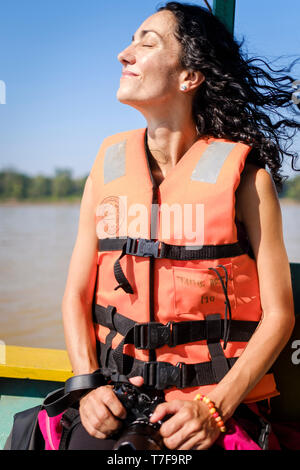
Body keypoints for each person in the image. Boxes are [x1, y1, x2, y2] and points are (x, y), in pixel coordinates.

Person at [61, 2, 300, 450]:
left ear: (190, 77)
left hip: (214, 401)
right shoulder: (105, 171)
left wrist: (214, 408)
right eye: (130, 41)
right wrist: (87, 385)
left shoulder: (248, 179)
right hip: (116, 394)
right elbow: (75, 294)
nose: (123, 54)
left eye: (146, 42)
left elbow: (280, 314)